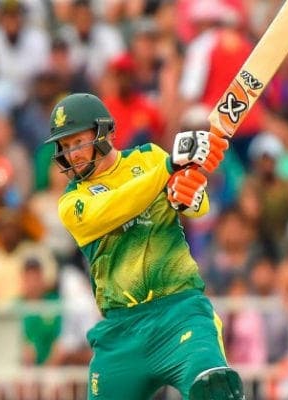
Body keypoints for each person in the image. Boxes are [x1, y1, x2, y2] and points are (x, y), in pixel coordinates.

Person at [44, 93, 243, 400]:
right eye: (65, 146)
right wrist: (168, 167)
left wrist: (188, 196)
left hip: (180, 312)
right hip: (121, 332)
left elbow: (198, 207)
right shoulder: (72, 202)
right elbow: (116, 206)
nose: (73, 154)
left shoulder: (148, 157)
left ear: (103, 133)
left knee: (213, 388)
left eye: (78, 142)